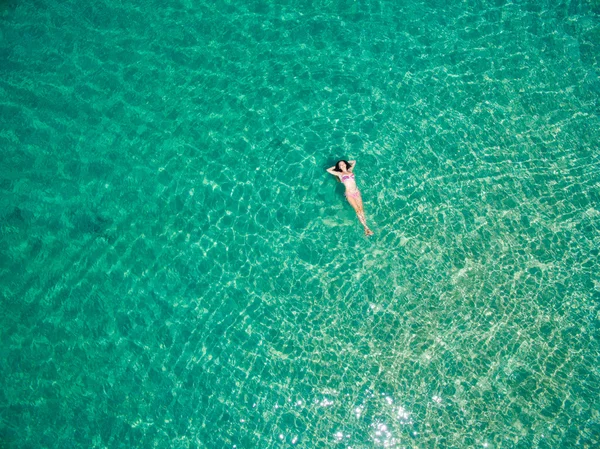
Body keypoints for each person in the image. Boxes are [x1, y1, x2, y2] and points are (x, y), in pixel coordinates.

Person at [326, 160, 374, 236]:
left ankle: (366, 228)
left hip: (356, 192)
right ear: (339, 167)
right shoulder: (339, 174)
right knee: (357, 210)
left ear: (345, 164)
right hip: (349, 194)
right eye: (340, 165)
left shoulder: (350, 170)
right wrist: (337, 166)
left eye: (343, 164)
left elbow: (354, 161)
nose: (342, 165)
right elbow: (328, 170)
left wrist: (345, 163)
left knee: (361, 209)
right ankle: (366, 228)